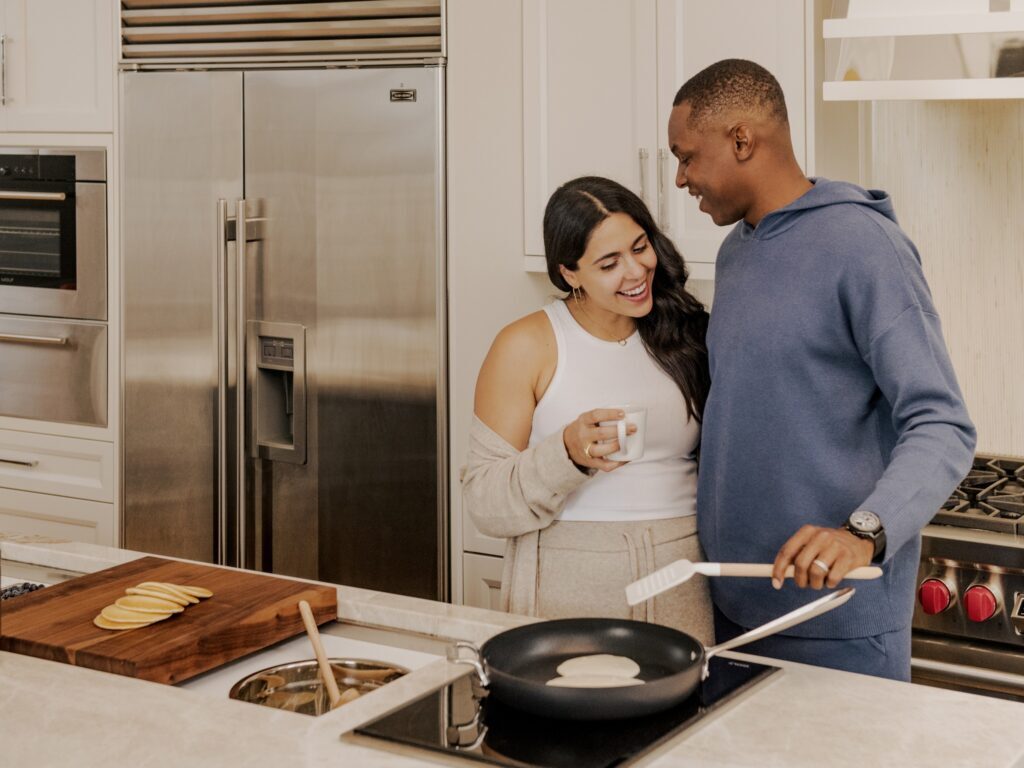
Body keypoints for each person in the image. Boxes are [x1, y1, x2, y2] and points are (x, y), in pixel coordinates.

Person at [666, 59, 976, 679]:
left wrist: (863, 531)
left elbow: (943, 425)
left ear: (742, 140)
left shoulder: (864, 248)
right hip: (733, 612)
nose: (679, 178)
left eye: (687, 156)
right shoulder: (736, 253)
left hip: (837, 622)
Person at [461, 176, 714, 642]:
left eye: (640, 247)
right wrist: (568, 454)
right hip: (566, 586)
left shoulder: (689, 335)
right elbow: (484, 503)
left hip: (681, 582)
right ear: (570, 274)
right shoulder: (526, 345)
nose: (636, 272)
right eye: (608, 263)